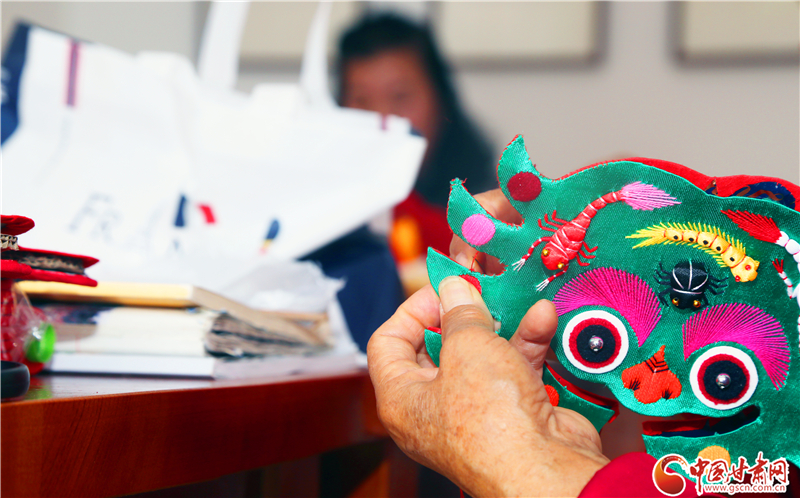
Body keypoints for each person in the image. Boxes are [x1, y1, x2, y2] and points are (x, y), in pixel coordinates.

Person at [337, 14, 497, 258]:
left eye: (400, 96)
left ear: (441, 99)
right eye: (361, 100)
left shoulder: (486, 208)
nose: (382, 119)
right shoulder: (324, 215)